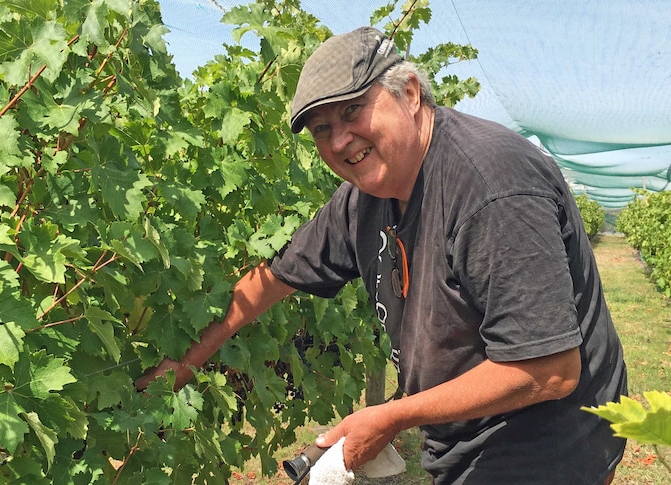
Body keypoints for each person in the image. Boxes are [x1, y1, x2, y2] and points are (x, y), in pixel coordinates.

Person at [135, 26, 627, 484]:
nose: (340, 139)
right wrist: (187, 361)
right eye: (322, 129)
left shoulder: (491, 190)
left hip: (551, 446)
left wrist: (392, 416)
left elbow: (550, 370)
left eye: (353, 111)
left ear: (410, 93)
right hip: (464, 435)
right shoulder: (363, 200)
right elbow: (275, 276)